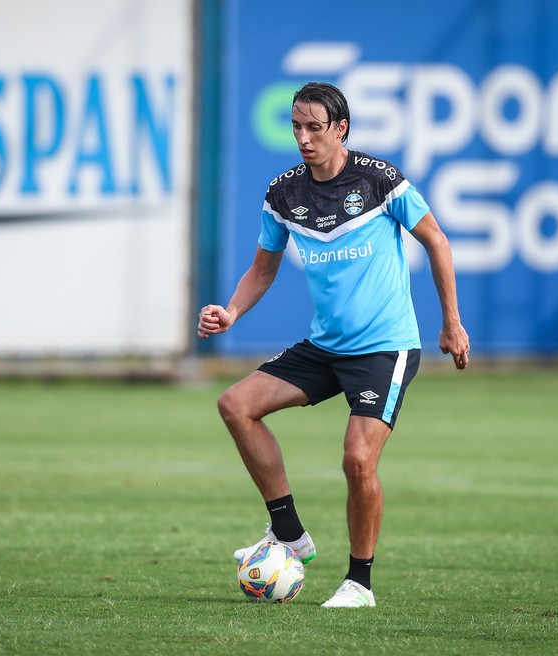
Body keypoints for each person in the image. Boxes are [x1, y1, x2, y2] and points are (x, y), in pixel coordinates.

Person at [197, 82, 470, 608]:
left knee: (357, 460)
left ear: (340, 128)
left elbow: (437, 240)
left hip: (385, 348)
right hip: (327, 347)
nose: (303, 137)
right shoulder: (284, 194)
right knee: (235, 405)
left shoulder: (379, 180)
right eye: (296, 126)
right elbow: (262, 270)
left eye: (314, 127)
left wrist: (451, 323)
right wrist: (230, 311)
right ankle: (289, 533)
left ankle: (359, 584)